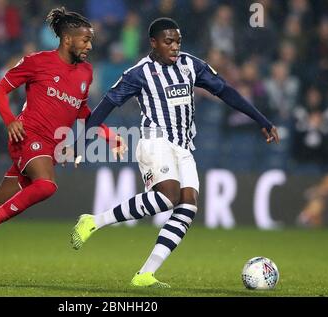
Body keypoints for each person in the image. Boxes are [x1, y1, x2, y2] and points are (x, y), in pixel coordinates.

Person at [0, 7, 125, 282]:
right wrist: (9, 120)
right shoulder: (37, 61)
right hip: (26, 137)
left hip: (48, 147)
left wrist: (108, 134)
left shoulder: (86, 72)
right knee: (47, 185)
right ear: (67, 39)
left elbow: (81, 111)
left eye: (90, 40)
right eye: (84, 40)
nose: (89, 45)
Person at [70, 17, 280, 288]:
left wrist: (261, 119)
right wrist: (82, 140)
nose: (175, 47)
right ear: (154, 43)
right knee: (168, 196)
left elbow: (226, 91)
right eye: (168, 41)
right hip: (154, 141)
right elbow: (107, 104)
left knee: (187, 206)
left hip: (183, 146)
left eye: (178, 41)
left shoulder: (191, 65)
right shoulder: (139, 73)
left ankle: (145, 274)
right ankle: (93, 222)